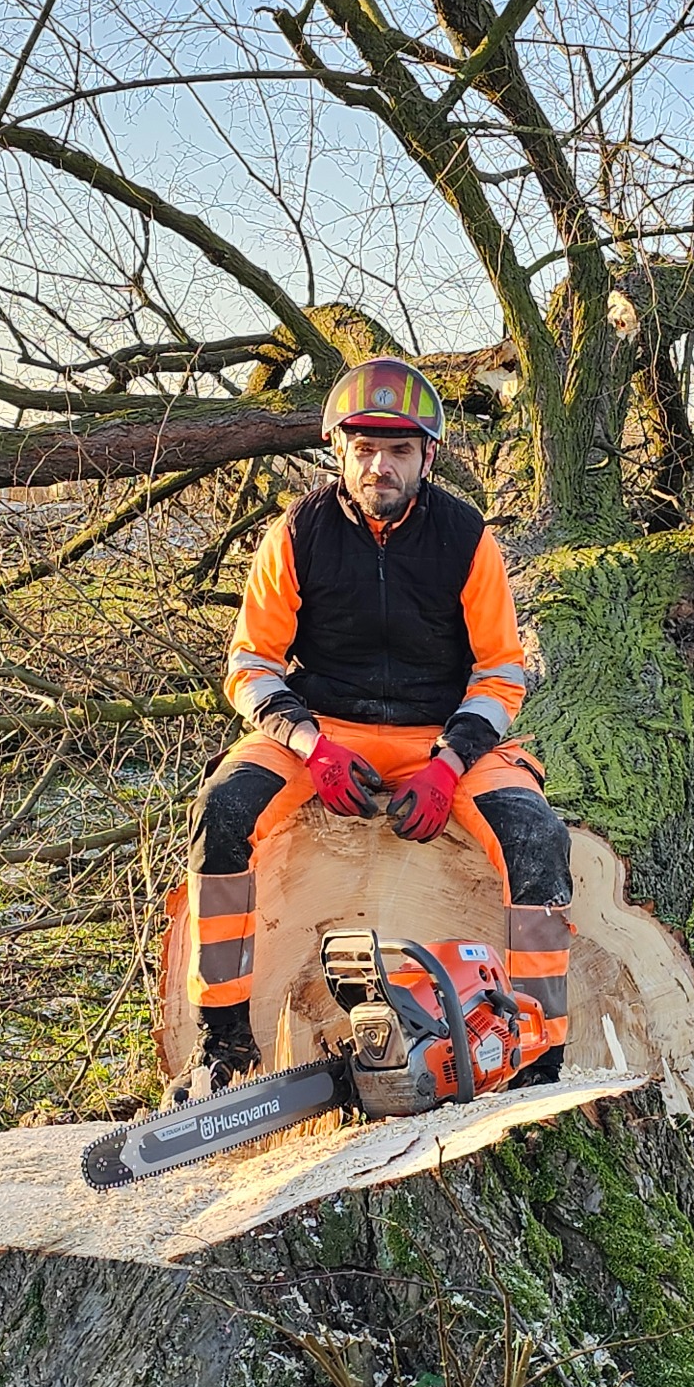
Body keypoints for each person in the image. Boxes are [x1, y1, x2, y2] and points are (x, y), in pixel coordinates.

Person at [184, 355, 572, 1087]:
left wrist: (448, 763)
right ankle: (225, 1036)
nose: (379, 467)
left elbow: (499, 672)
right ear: (340, 452)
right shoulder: (298, 533)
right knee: (222, 811)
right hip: (324, 728)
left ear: (428, 454)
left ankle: (541, 1052)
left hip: (443, 736)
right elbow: (251, 664)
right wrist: (311, 744)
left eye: (397, 451)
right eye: (364, 450)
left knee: (538, 837)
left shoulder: (465, 537)